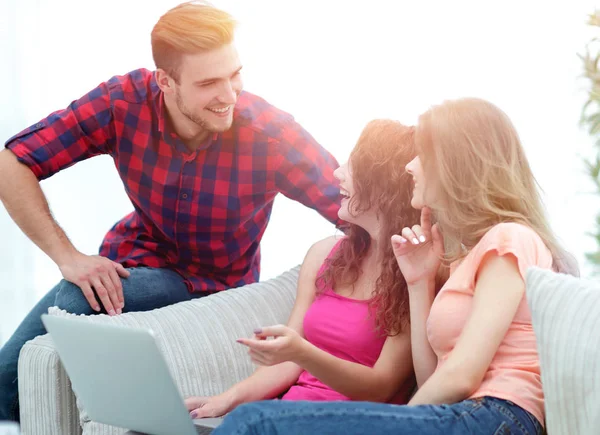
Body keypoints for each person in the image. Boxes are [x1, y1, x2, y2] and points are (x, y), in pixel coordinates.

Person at [0, 1, 343, 422]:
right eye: (210, 83)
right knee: (4, 380)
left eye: (235, 75)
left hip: (210, 286)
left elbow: (356, 208)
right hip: (135, 262)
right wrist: (68, 257)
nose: (229, 95)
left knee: (75, 298)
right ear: (165, 81)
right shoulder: (123, 102)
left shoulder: (270, 135)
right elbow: (11, 163)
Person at [210, 98, 579, 435]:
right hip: (465, 414)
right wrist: (419, 283)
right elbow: (432, 377)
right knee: (251, 419)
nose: (410, 166)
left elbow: (462, 377)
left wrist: (400, 421)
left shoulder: (510, 238)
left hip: (498, 415)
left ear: (455, 164)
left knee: (254, 422)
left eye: (422, 154)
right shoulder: (465, 258)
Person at [185, 120, 421, 418]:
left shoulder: (415, 273)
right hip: (286, 415)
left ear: (384, 183)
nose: (338, 173)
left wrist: (301, 351)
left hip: (355, 422)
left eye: (354, 165)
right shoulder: (325, 255)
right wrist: (225, 400)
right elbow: (287, 361)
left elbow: (381, 388)